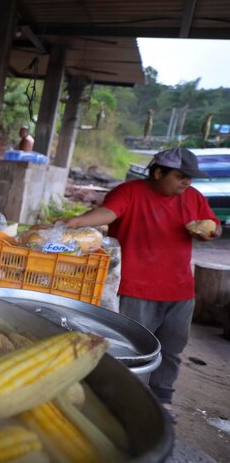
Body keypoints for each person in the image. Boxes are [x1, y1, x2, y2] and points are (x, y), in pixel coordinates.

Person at [62, 147, 221, 422]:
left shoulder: (193, 198)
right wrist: (76, 222)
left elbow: (214, 226)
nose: (187, 182)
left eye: (190, 177)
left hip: (180, 291)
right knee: (130, 349)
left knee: (171, 350)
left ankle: (161, 400)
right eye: (181, 176)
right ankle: (120, 400)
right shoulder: (131, 192)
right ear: (158, 172)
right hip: (135, 288)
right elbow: (108, 213)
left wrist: (212, 232)